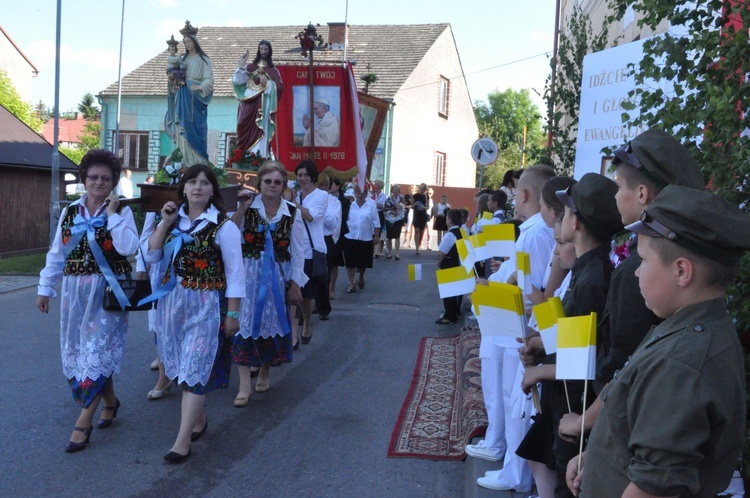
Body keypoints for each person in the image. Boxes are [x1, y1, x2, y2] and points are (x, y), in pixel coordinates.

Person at [566, 185, 749, 497]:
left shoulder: (681, 364)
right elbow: (645, 430)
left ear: (681, 271)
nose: (636, 273)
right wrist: (598, 457)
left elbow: (653, 487)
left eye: (644, 261)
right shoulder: (688, 327)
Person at [557, 129, 707, 446]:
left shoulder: (638, 271)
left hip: (617, 423)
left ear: (641, 195)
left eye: (619, 187)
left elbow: (623, 366)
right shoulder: (656, 258)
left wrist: (586, 420)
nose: (615, 196)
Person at [517, 173, 623, 497]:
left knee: (568, 484)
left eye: (565, 212)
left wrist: (540, 371)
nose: (558, 219)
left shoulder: (594, 278)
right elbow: (572, 340)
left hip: (575, 402)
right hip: (563, 397)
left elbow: (586, 360)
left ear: (575, 223)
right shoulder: (585, 270)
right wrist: (540, 347)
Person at [36, 149, 139, 453]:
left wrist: (111, 214)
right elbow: (56, 253)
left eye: (105, 178)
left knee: (97, 350)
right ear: (84, 179)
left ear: (114, 182)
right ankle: (110, 400)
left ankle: (83, 423)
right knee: (82, 352)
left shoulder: (122, 212)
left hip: (108, 294)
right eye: (93, 177)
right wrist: (45, 288)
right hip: (74, 294)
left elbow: (129, 247)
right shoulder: (70, 212)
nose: (98, 182)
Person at [142, 163, 244, 463]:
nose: (198, 187)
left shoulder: (224, 227)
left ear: (213, 190)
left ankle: (182, 441)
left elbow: (236, 274)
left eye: (204, 182)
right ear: (183, 188)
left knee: (194, 371)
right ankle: (198, 420)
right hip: (173, 306)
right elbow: (151, 254)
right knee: (178, 366)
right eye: (192, 182)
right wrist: (164, 222)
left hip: (206, 306)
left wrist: (233, 316)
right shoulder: (173, 222)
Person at [468, 165, 555, 493]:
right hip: (520, 324)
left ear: (524, 195)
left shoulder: (533, 234)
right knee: (515, 401)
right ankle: (514, 469)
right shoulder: (537, 231)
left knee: (516, 402)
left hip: (518, 325)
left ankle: (516, 473)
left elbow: (532, 290)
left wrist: (494, 285)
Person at [230, 161, 305, 407]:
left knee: (269, 323)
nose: (273, 186)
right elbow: (231, 236)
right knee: (244, 323)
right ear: (259, 183)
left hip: (276, 275)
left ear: (284, 185)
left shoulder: (292, 212)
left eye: (277, 182)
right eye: (268, 181)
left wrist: (295, 283)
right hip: (248, 274)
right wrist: (241, 209)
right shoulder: (248, 207)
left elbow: (299, 250)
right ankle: (243, 386)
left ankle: (264, 371)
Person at [136, 211, 174, 400]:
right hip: (161, 268)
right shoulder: (157, 201)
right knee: (161, 322)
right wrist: (142, 266)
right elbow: (146, 236)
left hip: (192, 271)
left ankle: (185, 371)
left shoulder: (201, 196)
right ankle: (164, 375)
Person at [165, 22, 213, 168]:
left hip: (196, 98)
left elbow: (209, 79)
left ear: (195, 42)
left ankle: (198, 160)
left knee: (196, 128)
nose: (186, 44)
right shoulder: (182, 59)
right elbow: (175, 76)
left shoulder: (204, 60)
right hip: (183, 95)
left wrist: (200, 86)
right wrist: (172, 79)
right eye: (184, 42)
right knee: (182, 125)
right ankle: (184, 160)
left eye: (189, 41)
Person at [293, 160, 329, 343]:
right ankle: (292, 333)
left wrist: (292, 203)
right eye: (300, 175)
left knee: (306, 295)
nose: (303, 178)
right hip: (293, 250)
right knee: (292, 292)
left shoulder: (321, 196)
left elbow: (310, 216)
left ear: (313, 177)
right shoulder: (295, 195)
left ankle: (307, 322)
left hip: (310, 251)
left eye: (306, 175)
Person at [233, 40, 283, 158]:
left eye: (266, 49)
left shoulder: (273, 71)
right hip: (248, 103)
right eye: (261, 49)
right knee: (241, 124)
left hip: (263, 105)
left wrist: (268, 83)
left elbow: (280, 88)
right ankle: (242, 156)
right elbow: (238, 81)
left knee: (261, 129)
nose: (263, 51)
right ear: (258, 50)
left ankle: (258, 157)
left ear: (269, 51)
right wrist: (241, 65)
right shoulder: (250, 67)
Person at [343, 184, 380, 293]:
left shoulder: (371, 206)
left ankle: (361, 277)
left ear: (366, 193)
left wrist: (376, 236)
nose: (360, 195)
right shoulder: (350, 205)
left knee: (363, 262)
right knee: (350, 262)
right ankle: (351, 283)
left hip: (366, 237)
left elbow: (376, 222)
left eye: (362, 193)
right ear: (354, 193)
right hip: (350, 236)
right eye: (358, 192)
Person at [435, 209, 465, 325]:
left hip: (449, 264)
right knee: (454, 290)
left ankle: (449, 316)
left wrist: (439, 262)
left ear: (450, 220)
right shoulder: (462, 232)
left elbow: (443, 251)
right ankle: (454, 311)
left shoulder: (449, 235)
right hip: (457, 264)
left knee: (447, 291)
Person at [327, 177, 350, 300]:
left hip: (339, 234)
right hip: (325, 234)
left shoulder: (344, 202)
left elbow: (345, 217)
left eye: (331, 184)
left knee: (334, 264)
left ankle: (331, 288)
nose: (329, 187)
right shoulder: (323, 199)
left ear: (337, 186)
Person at [321, 176, 342, 310]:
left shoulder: (334, 202)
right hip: (305, 240)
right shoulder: (301, 198)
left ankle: (323, 306)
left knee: (324, 274)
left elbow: (335, 223)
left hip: (326, 239)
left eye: (325, 185)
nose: (323, 188)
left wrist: (321, 209)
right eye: (320, 185)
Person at [383, 184, 405, 260]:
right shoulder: (388, 198)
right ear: (392, 191)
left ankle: (397, 254)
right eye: (394, 190)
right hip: (389, 219)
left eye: (397, 190)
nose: (395, 192)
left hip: (398, 219)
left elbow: (399, 207)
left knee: (397, 237)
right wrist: (392, 212)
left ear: (399, 191)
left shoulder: (402, 198)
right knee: (389, 237)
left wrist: (394, 200)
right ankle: (389, 253)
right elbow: (385, 209)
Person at [411, 183, 430, 255]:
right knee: (416, 230)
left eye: (423, 189)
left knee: (422, 231)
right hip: (416, 214)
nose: (421, 191)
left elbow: (428, 207)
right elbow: (411, 207)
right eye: (420, 189)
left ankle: (419, 244)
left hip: (423, 214)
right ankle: (417, 248)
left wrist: (424, 208)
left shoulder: (426, 196)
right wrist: (414, 204)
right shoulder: (414, 196)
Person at [373, 180, 387, 258]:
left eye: (375, 184)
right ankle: (373, 251)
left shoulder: (383, 195)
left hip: (379, 214)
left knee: (378, 232)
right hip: (373, 213)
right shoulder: (372, 194)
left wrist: (373, 203)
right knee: (372, 232)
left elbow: (382, 206)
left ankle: (377, 251)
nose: (374, 186)